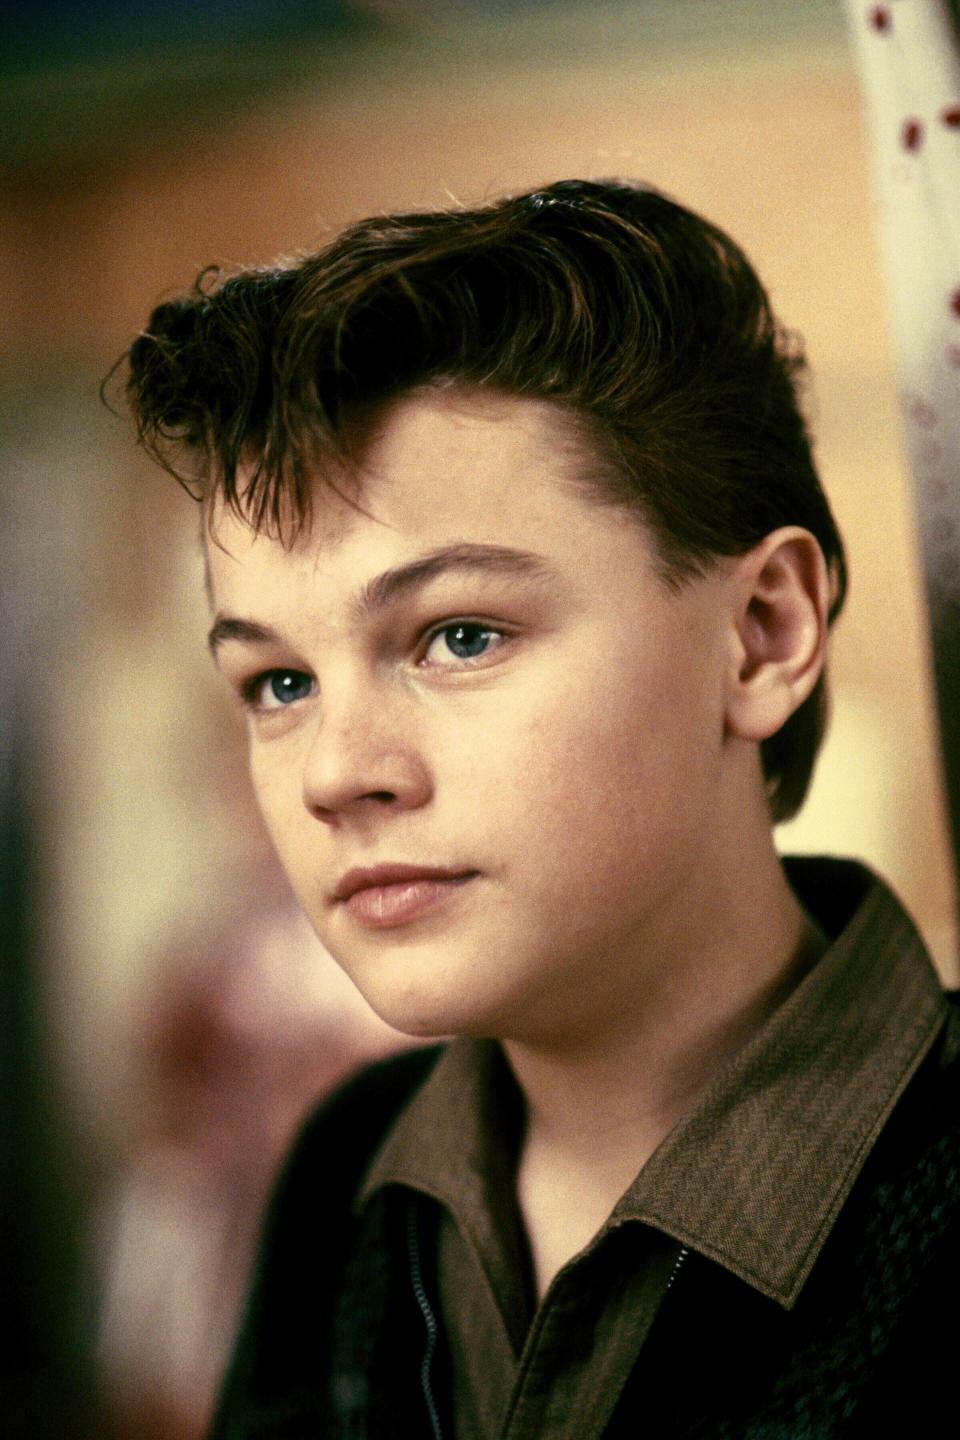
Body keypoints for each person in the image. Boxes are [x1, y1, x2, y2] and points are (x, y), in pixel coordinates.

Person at [119, 179, 960, 1438]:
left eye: (459, 635)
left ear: (762, 635)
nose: (336, 771)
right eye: (278, 680)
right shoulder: (345, 1177)